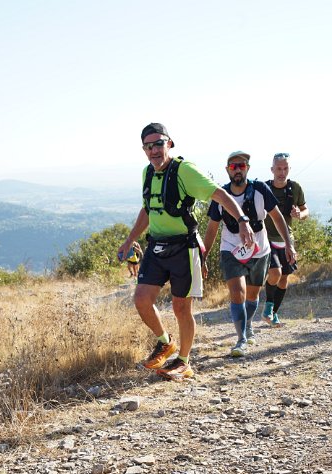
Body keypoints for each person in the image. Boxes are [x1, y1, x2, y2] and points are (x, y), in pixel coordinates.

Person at [117, 123, 255, 379]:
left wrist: (243, 220)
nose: (154, 150)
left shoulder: (185, 170)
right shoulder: (148, 172)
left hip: (184, 248)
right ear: (144, 150)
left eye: (159, 144)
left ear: (169, 144)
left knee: (181, 307)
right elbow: (148, 209)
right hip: (156, 246)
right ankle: (165, 342)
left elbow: (220, 194)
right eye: (148, 146)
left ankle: (183, 361)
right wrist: (129, 240)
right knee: (141, 299)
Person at [203, 151, 296, 357]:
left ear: (248, 169)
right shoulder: (220, 196)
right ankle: (241, 339)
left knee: (252, 295)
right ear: (227, 170)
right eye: (233, 166)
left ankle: (248, 325)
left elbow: (277, 217)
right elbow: (212, 229)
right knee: (238, 292)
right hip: (230, 249)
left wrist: (289, 245)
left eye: (242, 166)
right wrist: (204, 257)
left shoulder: (260, 189)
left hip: (259, 250)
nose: (237, 170)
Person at [262, 152, 308, 326]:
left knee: (284, 278)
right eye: (279, 168)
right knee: (276, 272)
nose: (282, 172)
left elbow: (305, 210)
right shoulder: (264, 188)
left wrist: (300, 214)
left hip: (287, 240)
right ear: (272, 169)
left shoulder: (295, 188)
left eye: (285, 168)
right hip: (267, 238)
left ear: (289, 169)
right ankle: (268, 308)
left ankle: (273, 313)